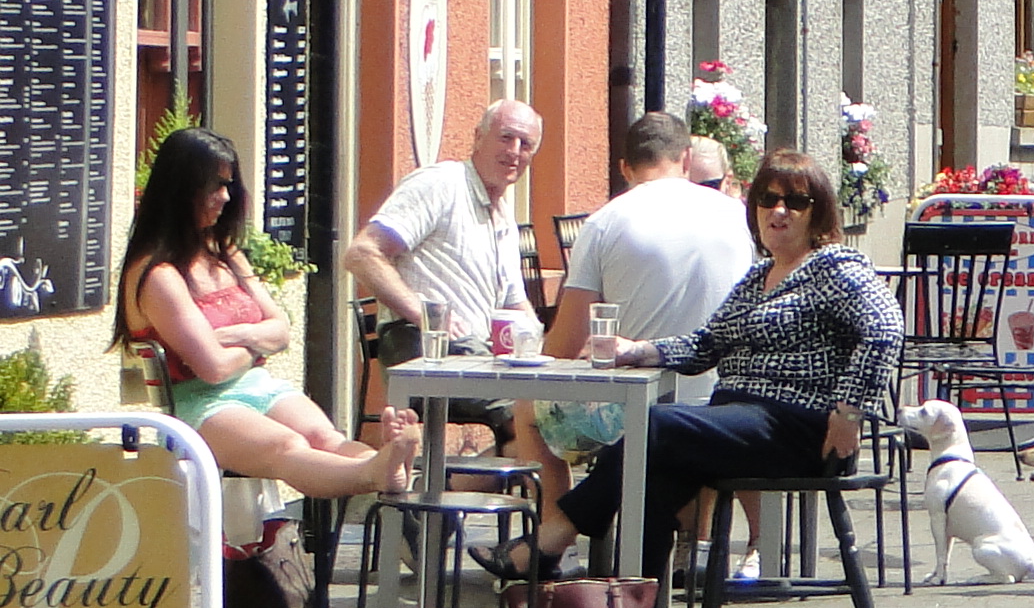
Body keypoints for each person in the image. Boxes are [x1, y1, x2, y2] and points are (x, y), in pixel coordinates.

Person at [505, 149, 902, 588]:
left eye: (795, 202)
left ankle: (554, 537)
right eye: (768, 199)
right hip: (743, 420)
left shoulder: (834, 267)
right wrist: (640, 350)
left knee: (654, 426)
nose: (779, 211)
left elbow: (885, 328)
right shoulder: (759, 277)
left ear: (818, 212)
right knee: (654, 473)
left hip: (799, 426)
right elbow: (707, 343)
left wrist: (849, 413)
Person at [118, 128, 421, 499]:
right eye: (215, 186)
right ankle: (377, 470)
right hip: (199, 404)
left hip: (256, 384)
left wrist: (240, 336)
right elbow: (213, 370)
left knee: (325, 437)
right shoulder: (158, 275)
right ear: (181, 189)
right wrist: (258, 343)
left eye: (229, 185)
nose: (225, 197)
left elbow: (281, 329)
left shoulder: (227, 256)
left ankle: (385, 466)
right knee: (287, 445)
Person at [525, 110, 753, 530]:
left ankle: (556, 539)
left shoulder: (606, 221)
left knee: (528, 410)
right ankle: (698, 541)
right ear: (686, 159)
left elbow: (565, 345)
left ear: (625, 168)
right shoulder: (739, 216)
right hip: (725, 405)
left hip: (634, 417)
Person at [344, 98, 543, 455]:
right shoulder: (441, 185)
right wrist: (426, 315)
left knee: (555, 416)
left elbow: (516, 305)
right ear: (478, 137)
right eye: (506, 137)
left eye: (525, 144)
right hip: (423, 351)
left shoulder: (503, 217)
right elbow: (361, 254)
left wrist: (545, 349)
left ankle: (461, 486)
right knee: (534, 417)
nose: (514, 151)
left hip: (478, 356)